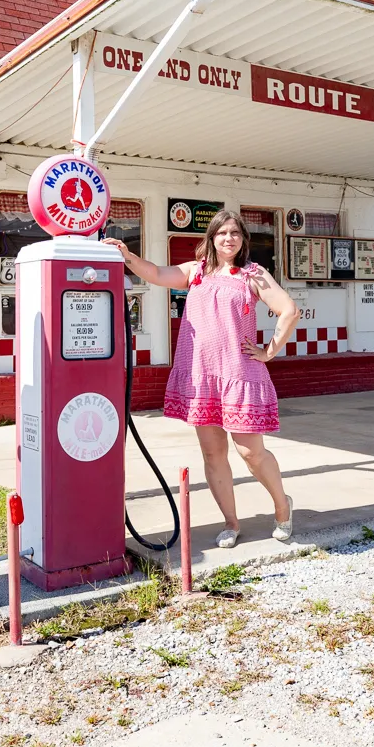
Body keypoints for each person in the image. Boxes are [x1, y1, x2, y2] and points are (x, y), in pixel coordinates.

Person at [103, 211, 300, 548]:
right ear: (211, 237)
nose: (229, 238)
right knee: (212, 454)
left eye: (235, 233)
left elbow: (289, 310)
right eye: (222, 233)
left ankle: (283, 507)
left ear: (243, 240)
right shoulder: (196, 272)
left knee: (250, 453)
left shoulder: (253, 274)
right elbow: (154, 273)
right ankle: (231, 523)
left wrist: (269, 351)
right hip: (201, 376)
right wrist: (127, 254)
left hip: (239, 374)